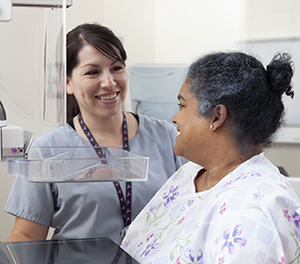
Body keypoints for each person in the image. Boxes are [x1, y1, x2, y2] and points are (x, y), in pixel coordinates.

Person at [4, 23, 187, 244]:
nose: (109, 82)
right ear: (67, 83)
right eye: (92, 72)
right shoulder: (46, 150)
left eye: (117, 68)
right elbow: (25, 236)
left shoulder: (166, 137)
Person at [121, 51, 300, 263]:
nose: (175, 117)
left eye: (183, 105)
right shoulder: (190, 174)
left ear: (216, 116)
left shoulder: (258, 211)